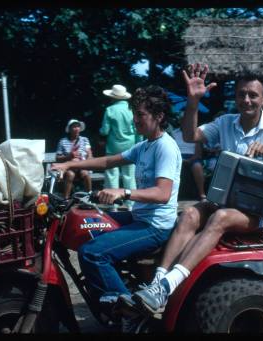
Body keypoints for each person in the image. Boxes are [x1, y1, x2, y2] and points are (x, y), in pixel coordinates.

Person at [130, 63, 263, 315]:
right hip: (223, 201)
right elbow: (189, 136)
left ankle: (169, 285)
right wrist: (193, 101)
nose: (246, 100)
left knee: (219, 218)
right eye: (241, 94)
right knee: (188, 213)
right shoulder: (226, 123)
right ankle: (158, 283)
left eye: (253, 95)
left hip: (256, 214)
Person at [51, 86, 182, 332]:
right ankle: (113, 293)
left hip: (155, 225)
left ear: (159, 117)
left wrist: (124, 191)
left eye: (140, 114)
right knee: (85, 226)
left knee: (93, 253)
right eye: (135, 113)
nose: (135, 119)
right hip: (139, 216)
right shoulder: (145, 145)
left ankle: (132, 314)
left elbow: (163, 194)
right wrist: (69, 163)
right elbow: (110, 160)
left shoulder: (165, 147)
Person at [100, 84, 142, 210]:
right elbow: (137, 130)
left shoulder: (110, 110)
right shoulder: (131, 110)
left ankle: (113, 206)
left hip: (113, 147)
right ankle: (131, 205)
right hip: (130, 146)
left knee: (112, 176)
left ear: (113, 97)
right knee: (129, 176)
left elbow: (104, 131)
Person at [56, 119, 93, 199]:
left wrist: (88, 160)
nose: (76, 129)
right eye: (74, 127)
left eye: (78, 127)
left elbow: (89, 153)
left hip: (82, 165)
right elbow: (57, 158)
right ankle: (65, 199)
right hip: (69, 167)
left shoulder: (85, 140)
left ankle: (90, 198)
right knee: (70, 174)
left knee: (86, 174)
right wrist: (69, 156)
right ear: (69, 129)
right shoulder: (62, 141)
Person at [171, 119, 207, 201]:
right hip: (177, 157)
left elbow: (198, 153)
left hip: (192, 157)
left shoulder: (197, 133)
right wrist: (179, 159)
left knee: (197, 166)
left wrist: (189, 160)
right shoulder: (174, 133)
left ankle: (202, 194)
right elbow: (172, 149)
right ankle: (171, 194)